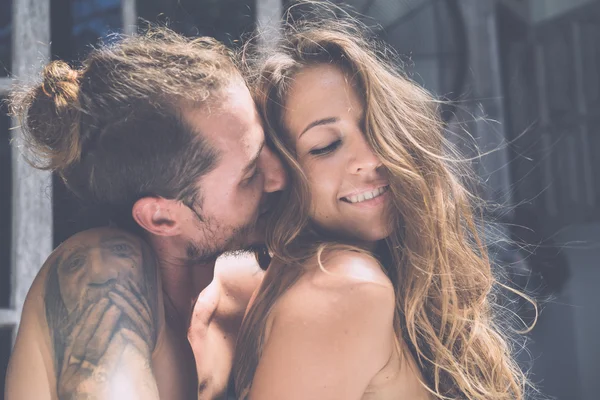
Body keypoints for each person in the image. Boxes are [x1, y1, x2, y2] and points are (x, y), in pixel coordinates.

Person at [232, 6, 530, 400]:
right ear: (282, 175)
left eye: (375, 128)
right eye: (325, 146)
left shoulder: (344, 275)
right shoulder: (345, 286)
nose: (370, 158)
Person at [5, 28, 286, 399]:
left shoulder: (245, 292)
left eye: (265, 143)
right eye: (250, 175)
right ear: (162, 218)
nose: (279, 176)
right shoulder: (101, 271)